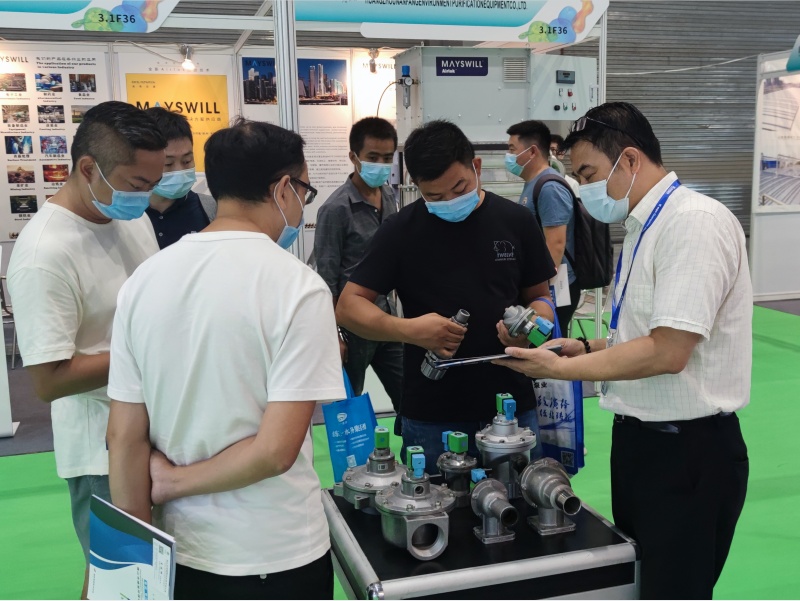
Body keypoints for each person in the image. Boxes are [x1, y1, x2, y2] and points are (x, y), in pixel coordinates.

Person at [496, 102, 750, 599]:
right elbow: (645, 331)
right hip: (643, 443)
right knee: (642, 583)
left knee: (674, 590)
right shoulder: (643, 226)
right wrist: (582, 347)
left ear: (630, 160)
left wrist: (559, 370)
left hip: (688, 452)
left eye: (589, 174)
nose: (584, 188)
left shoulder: (692, 224)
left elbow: (668, 351)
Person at [106, 119, 345, 600]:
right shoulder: (298, 288)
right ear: (283, 188)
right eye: (304, 191)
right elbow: (274, 452)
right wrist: (172, 483)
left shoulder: (145, 280)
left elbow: (123, 435)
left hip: (182, 548)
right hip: (275, 548)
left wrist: (134, 554)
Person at [6, 101, 165, 599]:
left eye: (153, 183)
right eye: (137, 184)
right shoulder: (44, 254)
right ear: (88, 168)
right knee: (120, 581)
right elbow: (48, 380)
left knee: (154, 575)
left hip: (154, 427)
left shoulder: (127, 217)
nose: (145, 196)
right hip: (100, 448)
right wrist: (151, 352)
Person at [336, 120, 556, 470]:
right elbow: (349, 306)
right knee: (435, 501)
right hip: (432, 412)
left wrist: (530, 327)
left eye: (459, 188)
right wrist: (410, 330)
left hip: (511, 405)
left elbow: (541, 298)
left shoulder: (516, 222)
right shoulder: (401, 231)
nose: (450, 202)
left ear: (476, 167)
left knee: (518, 497)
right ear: (416, 186)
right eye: (435, 197)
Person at [314, 117, 403, 428]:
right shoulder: (335, 209)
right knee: (349, 412)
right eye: (373, 157)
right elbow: (326, 279)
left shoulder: (389, 195)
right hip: (351, 327)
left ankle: (415, 450)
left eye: (387, 158)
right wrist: (334, 335)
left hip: (386, 318)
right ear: (353, 157)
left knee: (409, 395)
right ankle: (355, 459)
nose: (381, 165)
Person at [506, 120, 580, 335]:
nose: (508, 156)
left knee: (548, 341)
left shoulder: (549, 187)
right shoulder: (534, 183)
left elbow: (556, 244)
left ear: (532, 152)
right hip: (544, 285)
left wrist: (542, 292)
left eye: (512, 149)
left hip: (556, 286)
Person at [144, 107, 216, 248]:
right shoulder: (126, 214)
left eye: (187, 161)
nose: (179, 170)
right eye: (168, 163)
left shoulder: (212, 210)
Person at [550, 133, 582, 198]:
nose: (549, 154)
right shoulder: (537, 181)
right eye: (546, 150)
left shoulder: (571, 184)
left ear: (562, 153)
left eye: (552, 150)